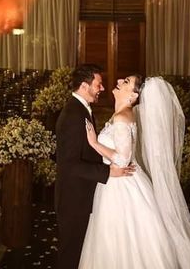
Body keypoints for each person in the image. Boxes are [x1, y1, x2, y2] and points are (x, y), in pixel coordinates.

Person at [79, 75, 190, 269]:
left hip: (122, 186)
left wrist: (94, 143)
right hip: (116, 182)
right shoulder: (121, 114)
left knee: (122, 240)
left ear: (133, 96)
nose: (120, 81)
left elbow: (122, 159)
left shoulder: (123, 117)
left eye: (126, 82)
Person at [55, 64, 135, 269]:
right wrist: (108, 171)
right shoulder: (73, 114)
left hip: (84, 193)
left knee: (82, 252)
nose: (101, 89)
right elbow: (69, 164)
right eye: (98, 84)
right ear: (84, 85)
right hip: (74, 198)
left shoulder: (82, 109)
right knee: (71, 254)